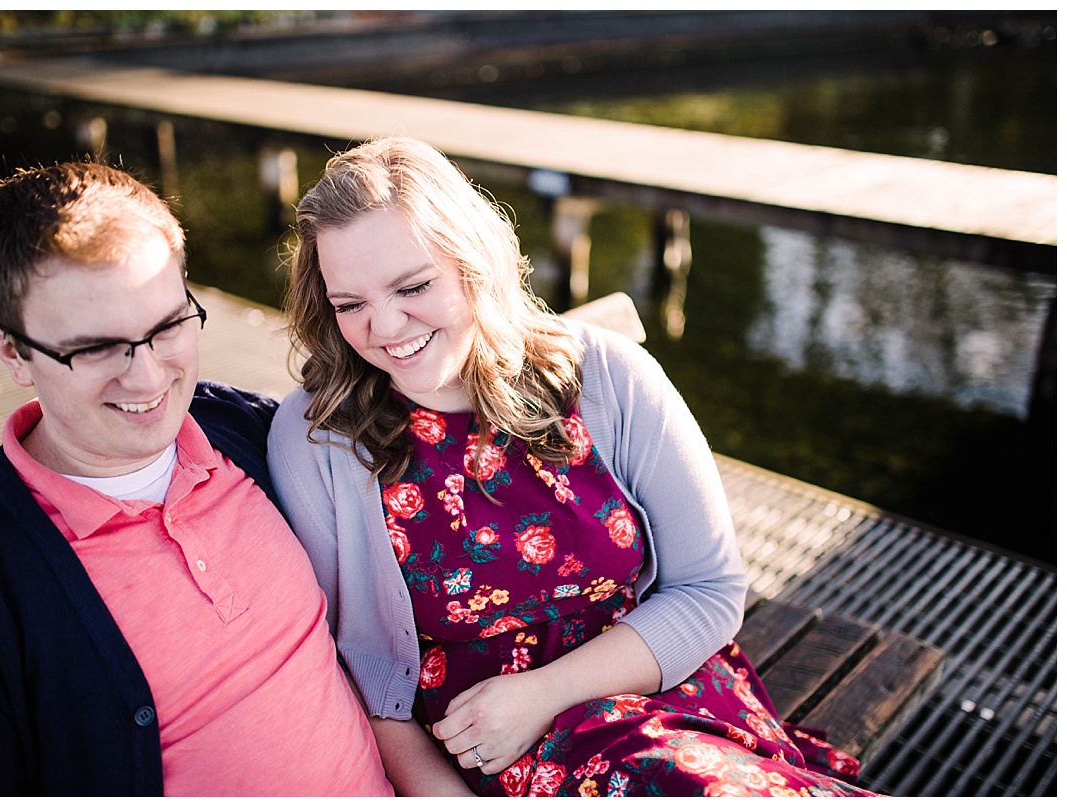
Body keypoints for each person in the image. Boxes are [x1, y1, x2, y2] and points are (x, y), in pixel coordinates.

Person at [268, 136, 878, 797]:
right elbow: (352, 676)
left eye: (413, 285)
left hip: (657, 693)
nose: (384, 326)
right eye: (348, 302)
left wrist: (544, 693)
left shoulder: (613, 376)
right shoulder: (318, 440)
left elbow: (708, 589)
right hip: (487, 750)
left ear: (474, 262)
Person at [0, 162, 393, 797]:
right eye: (95, 347)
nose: (148, 379)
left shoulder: (255, 434)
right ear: (12, 351)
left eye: (168, 326)